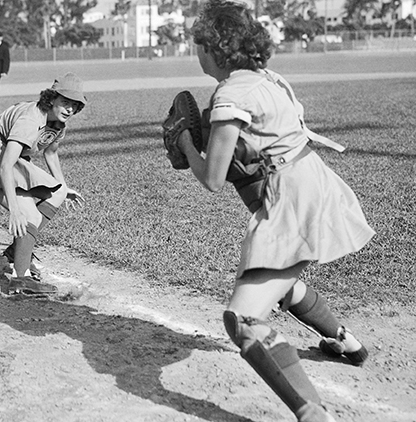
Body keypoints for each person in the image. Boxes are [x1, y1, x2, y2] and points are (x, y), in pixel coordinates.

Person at [172, 1, 375, 421]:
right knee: (281, 279)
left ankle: (313, 414)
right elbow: (253, 152)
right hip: (310, 182)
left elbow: (212, 178)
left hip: (291, 198)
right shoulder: (266, 79)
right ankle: (344, 341)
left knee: (243, 318)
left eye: (199, 44)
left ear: (215, 48)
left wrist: (187, 145)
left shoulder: (232, 92)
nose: (197, 52)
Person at [0, 73, 86, 295]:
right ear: (52, 99)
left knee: (57, 194)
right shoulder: (30, 120)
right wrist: (15, 210)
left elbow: (51, 152)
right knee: (29, 216)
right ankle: (21, 279)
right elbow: (5, 166)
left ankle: (16, 250)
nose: (69, 109)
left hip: (14, 160)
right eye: (65, 102)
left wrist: (64, 187)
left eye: (74, 105)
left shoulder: (58, 122)